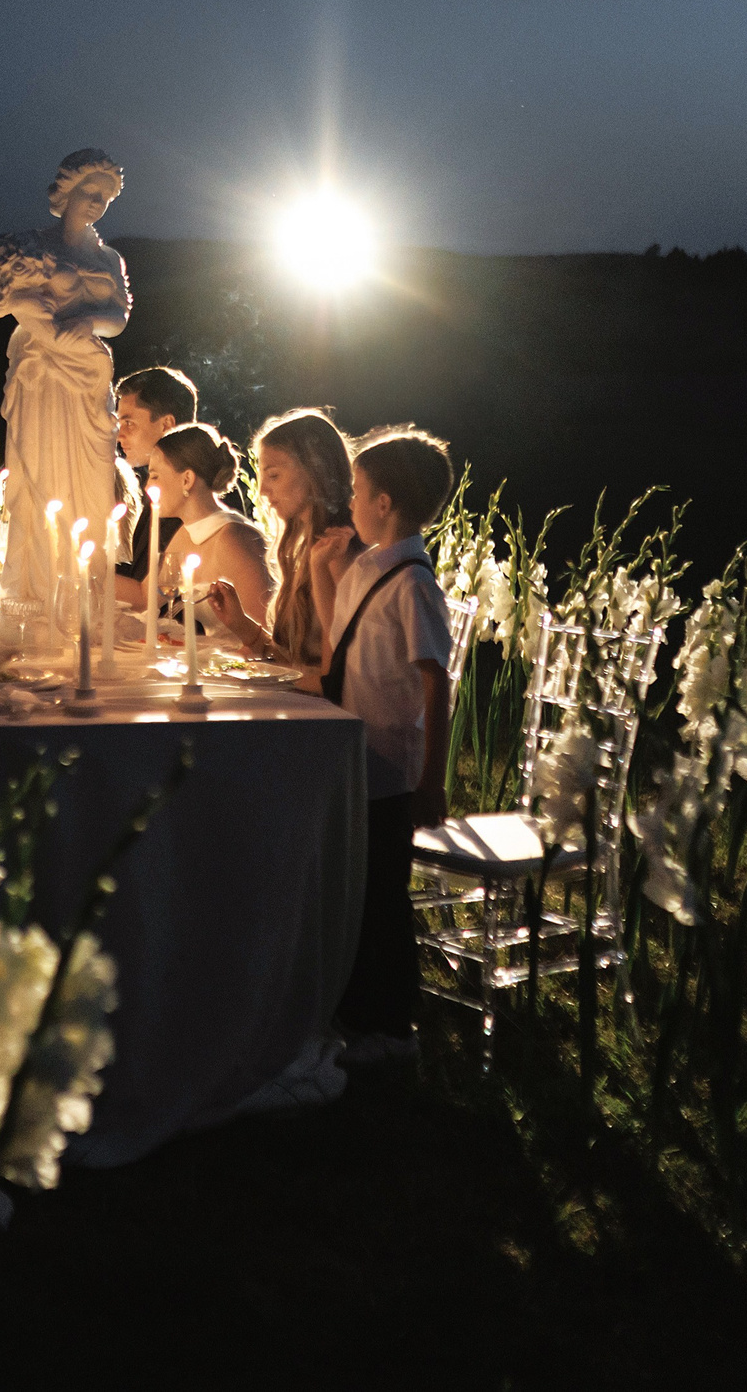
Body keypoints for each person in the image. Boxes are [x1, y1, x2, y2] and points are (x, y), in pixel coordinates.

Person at [312, 424, 457, 1067]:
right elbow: (335, 645)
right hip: (358, 757)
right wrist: (324, 569)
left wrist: (431, 779)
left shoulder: (413, 584)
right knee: (359, 889)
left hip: (392, 770)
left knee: (384, 901)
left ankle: (393, 1030)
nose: (350, 503)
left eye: (359, 491)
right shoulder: (370, 569)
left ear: (386, 503)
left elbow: (435, 681)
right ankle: (359, 1011)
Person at [0, 149, 141, 615]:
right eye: (89, 193)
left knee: (89, 481)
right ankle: (34, 588)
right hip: (41, 376)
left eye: (105, 198)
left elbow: (119, 316)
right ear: (66, 191)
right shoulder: (30, 244)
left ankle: (81, 588)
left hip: (86, 376)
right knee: (38, 470)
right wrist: (24, 305)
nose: (96, 203)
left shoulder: (108, 257)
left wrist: (89, 320)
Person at [204, 407, 359, 672]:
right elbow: (293, 661)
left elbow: (335, 680)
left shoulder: (338, 554)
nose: (263, 490)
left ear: (315, 472)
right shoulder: (305, 548)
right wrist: (242, 625)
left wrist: (259, 676)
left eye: (273, 475)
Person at [140, 423, 268, 637]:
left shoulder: (232, 538)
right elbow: (146, 596)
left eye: (154, 476)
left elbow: (268, 632)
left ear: (187, 479)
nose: (147, 487)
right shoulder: (185, 534)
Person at [112, 365, 198, 608]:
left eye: (128, 423)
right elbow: (140, 573)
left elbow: (152, 595)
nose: (119, 436)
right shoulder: (158, 493)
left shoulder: (185, 498)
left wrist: (77, 569)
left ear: (167, 425)